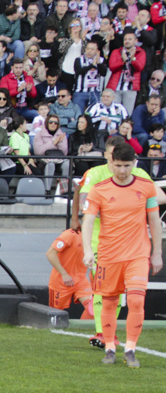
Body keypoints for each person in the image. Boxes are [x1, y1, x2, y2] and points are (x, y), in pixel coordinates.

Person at [81, 143, 161, 368]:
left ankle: (131, 349)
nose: (123, 171)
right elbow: (88, 221)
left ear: (134, 163)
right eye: (118, 165)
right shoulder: (99, 189)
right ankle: (109, 347)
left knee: (136, 299)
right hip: (108, 256)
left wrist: (157, 253)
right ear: (110, 162)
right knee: (109, 302)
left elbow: (154, 220)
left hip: (137, 254)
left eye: (127, 165)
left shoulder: (146, 187)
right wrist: (88, 250)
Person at [46, 216, 93, 320]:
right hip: (61, 281)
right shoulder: (70, 234)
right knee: (55, 314)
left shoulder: (94, 238)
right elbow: (50, 254)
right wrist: (64, 274)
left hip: (80, 279)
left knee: (92, 308)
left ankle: (81, 331)